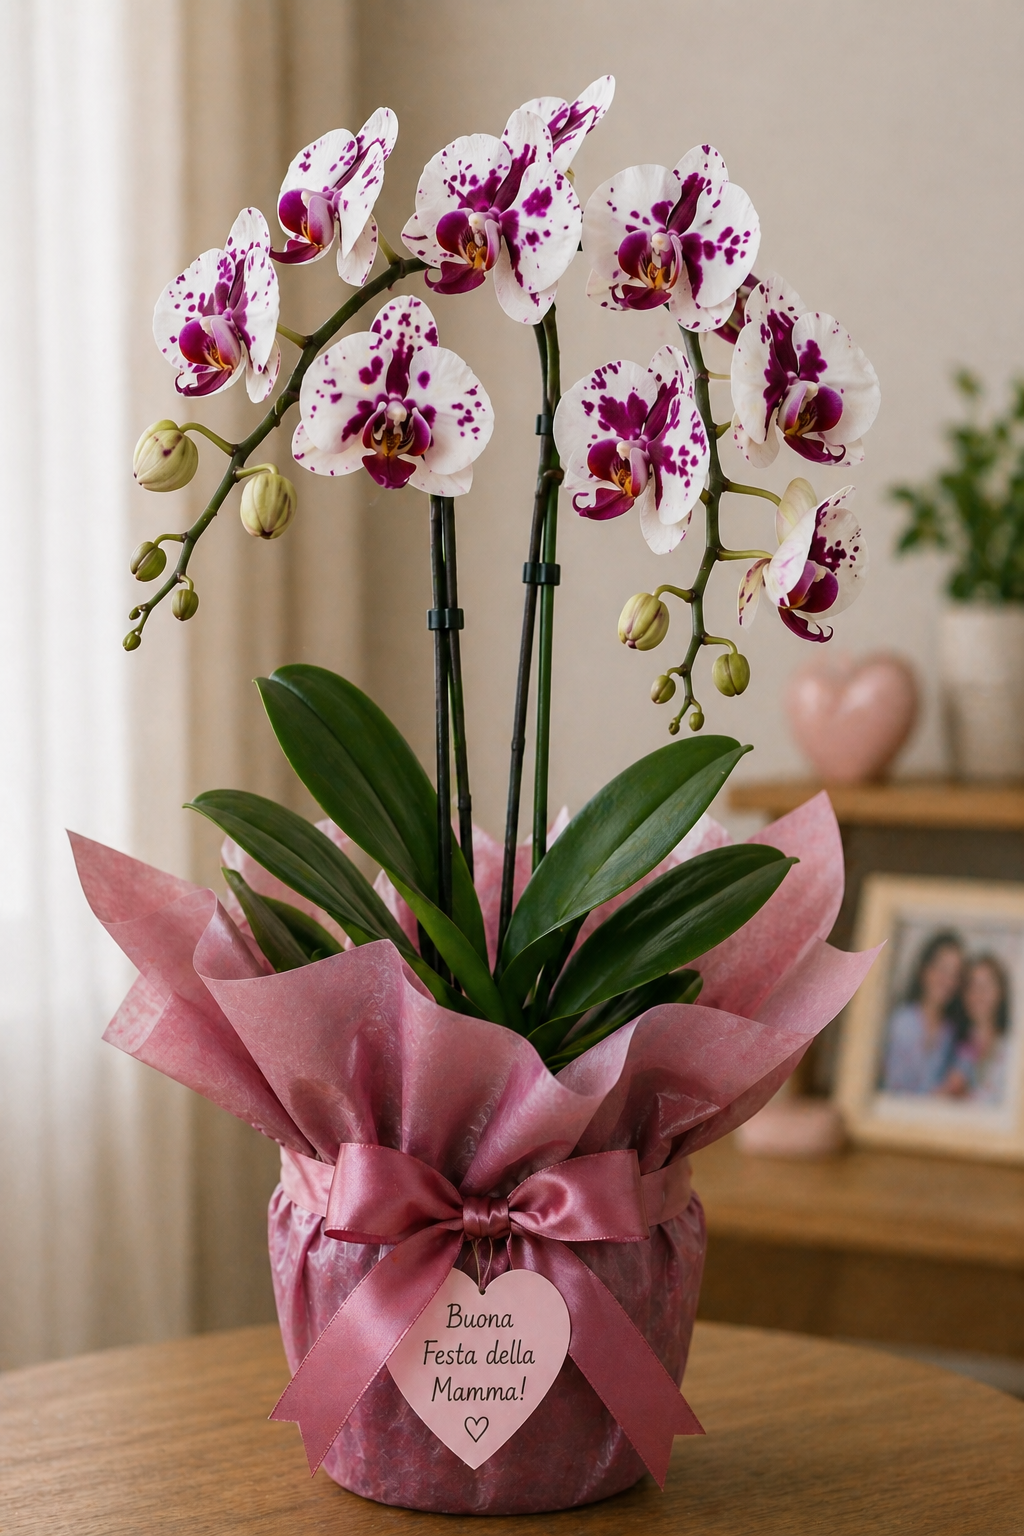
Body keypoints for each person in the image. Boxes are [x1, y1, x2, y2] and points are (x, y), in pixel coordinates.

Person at [881, 931, 963, 1094]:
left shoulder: (950, 1032)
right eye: (942, 969)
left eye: (955, 974)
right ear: (924, 970)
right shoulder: (900, 1022)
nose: (947, 980)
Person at [939, 954, 1011, 1106]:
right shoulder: (949, 1042)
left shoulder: (1012, 1048)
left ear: (1001, 993)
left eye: (986, 986)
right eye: (972, 986)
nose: (978, 994)